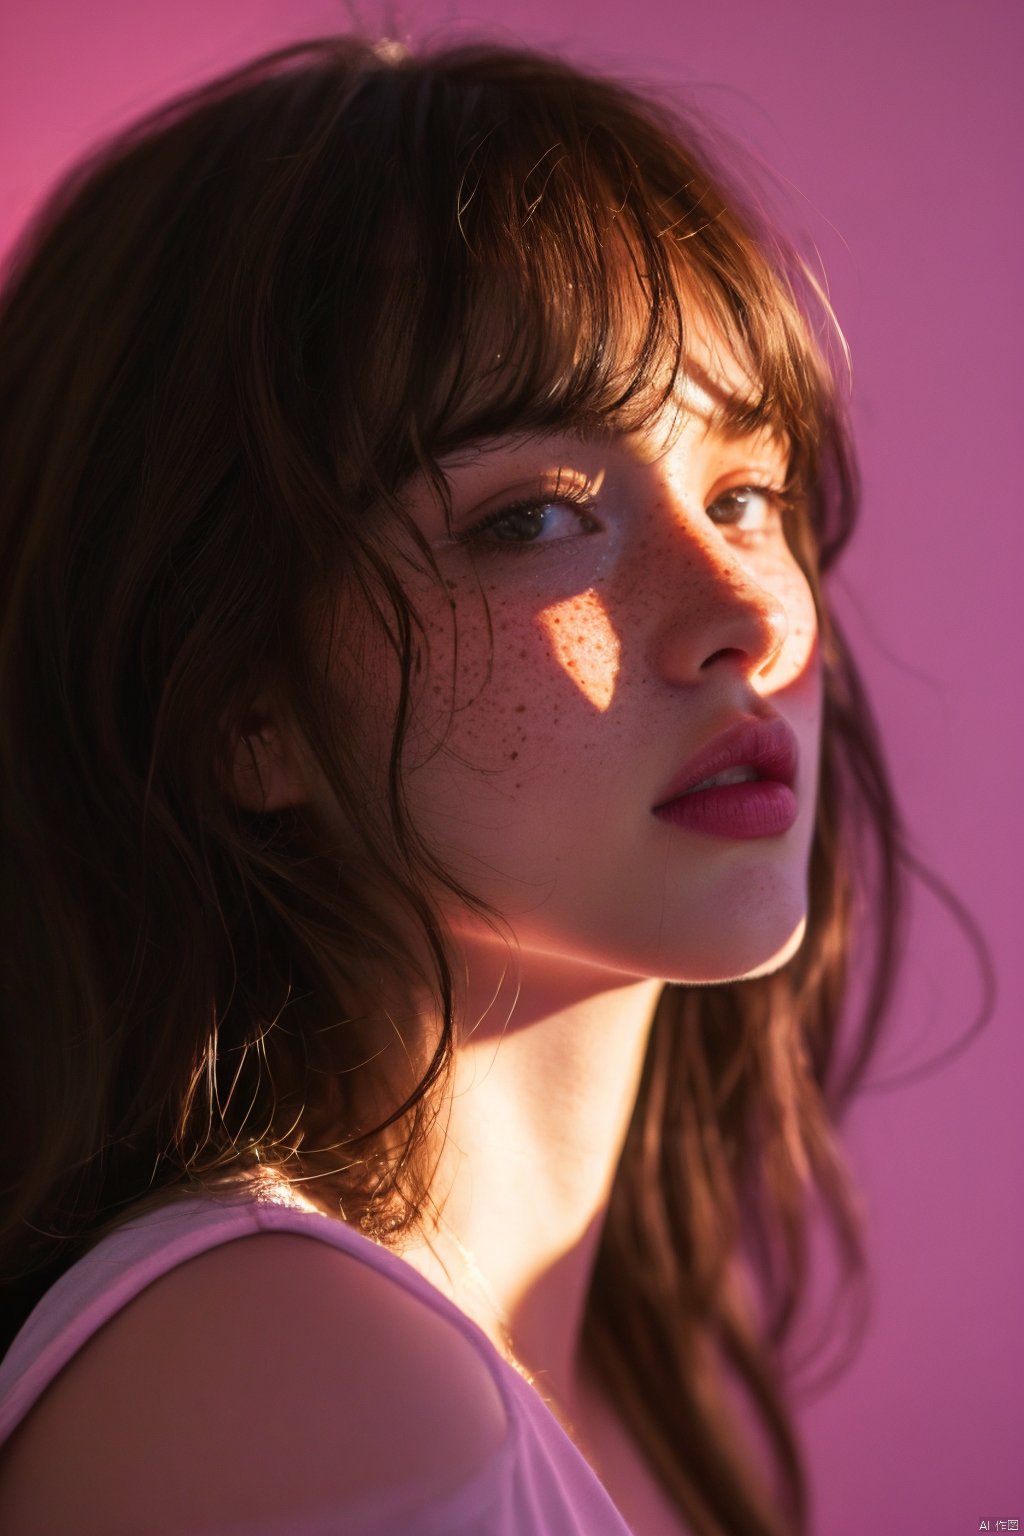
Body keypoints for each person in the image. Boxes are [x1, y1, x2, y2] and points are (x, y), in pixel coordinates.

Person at [0, 32, 919, 1536]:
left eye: (743, 493)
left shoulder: (652, 1405)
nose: (748, 612)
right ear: (242, 703)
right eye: (540, 516)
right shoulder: (288, 1400)